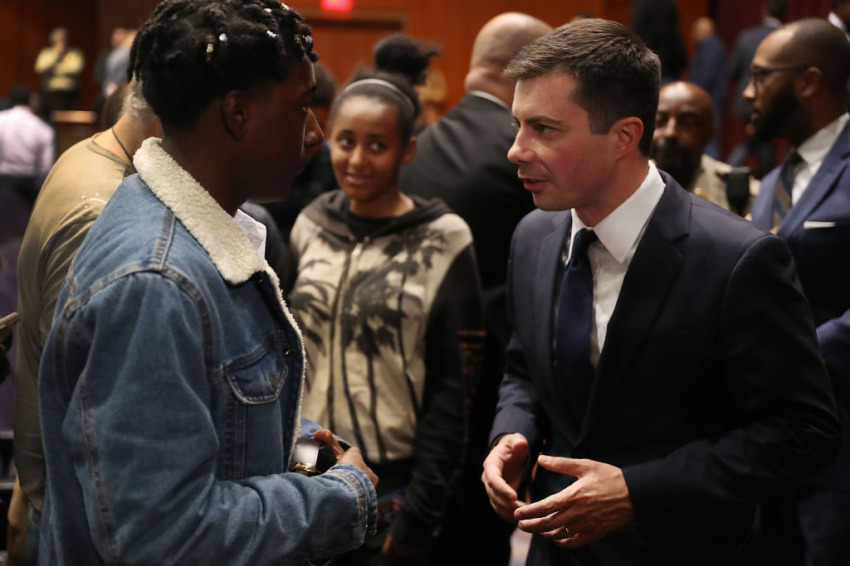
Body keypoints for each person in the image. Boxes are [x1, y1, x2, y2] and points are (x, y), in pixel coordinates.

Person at [481, 18, 840, 566]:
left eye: (544, 129)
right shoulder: (533, 235)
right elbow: (524, 369)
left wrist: (639, 489)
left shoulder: (735, 258)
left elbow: (801, 430)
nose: (516, 150)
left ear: (624, 136)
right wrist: (513, 432)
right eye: (518, 125)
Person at [37, 1, 378, 564]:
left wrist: (304, 448)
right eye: (301, 107)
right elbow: (159, 536)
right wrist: (342, 496)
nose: (316, 132)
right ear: (238, 114)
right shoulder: (155, 283)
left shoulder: (183, 239)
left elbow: (210, 416)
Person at [288, 33, 484, 565]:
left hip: (395, 477)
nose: (356, 159)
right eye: (345, 140)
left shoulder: (444, 238)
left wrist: (423, 515)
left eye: (377, 145)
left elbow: (454, 392)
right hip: (308, 462)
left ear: (408, 149)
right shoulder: (310, 224)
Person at [398, 12, 551, 565]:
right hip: (494, 392)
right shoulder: (530, 154)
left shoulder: (419, 146)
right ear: (527, 68)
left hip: (409, 382)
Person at [746, 18, 850, 565]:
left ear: (808, 81)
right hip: (776, 439)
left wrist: (803, 357)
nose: (747, 92)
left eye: (761, 77)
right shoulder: (781, 173)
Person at [652, 81, 759, 213]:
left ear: (710, 133)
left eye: (687, 123)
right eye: (659, 121)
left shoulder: (739, 193)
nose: (670, 133)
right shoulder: (624, 182)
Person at [727, 0, 787, 177]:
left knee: (757, 142)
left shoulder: (747, 35)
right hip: (772, 101)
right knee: (764, 143)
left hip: (745, 101)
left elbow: (733, 70)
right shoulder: (786, 38)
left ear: (764, 12)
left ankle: (730, 172)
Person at [0, 85, 55, 240]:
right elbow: (46, 168)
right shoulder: (42, 128)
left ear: (10, 100)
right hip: (27, 189)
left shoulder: (1, 119)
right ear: (30, 101)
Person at [688, 16, 726, 158]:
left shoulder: (710, 47)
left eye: (696, 30)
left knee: (709, 140)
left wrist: (693, 93)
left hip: (709, 100)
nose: (693, 34)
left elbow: (705, 76)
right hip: (712, 99)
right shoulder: (713, 46)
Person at [34, 27, 85, 112]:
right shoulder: (46, 53)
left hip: (69, 93)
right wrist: (56, 55)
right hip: (50, 93)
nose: (62, 42)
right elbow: (40, 68)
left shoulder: (74, 54)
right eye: (59, 39)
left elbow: (76, 69)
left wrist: (54, 70)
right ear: (53, 40)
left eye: (63, 39)